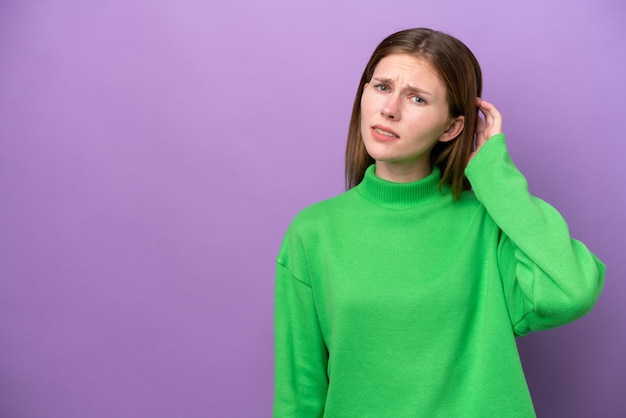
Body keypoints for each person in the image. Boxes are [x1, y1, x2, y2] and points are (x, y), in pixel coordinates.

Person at [273, 28, 605, 417]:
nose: (390, 109)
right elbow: (300, 393)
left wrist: (495, 176)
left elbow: (572, 291)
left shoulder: (488, 224)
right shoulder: (313, 232)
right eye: (381, 87)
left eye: (417, 98)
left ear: (451, 128)